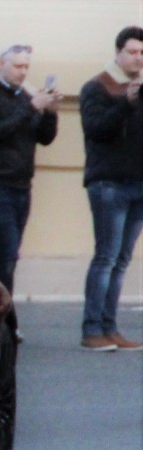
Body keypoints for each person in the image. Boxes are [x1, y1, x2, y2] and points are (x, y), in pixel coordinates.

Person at [0, 45, 60, 295]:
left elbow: (44, 138)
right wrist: (33, 107)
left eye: (26, 67)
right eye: (17, 66)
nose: (23, 72)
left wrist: (50, 113)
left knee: (10, 256)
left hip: (23, 186)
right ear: (1, 64)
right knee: (7, 254)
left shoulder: (26, 97)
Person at [77, 26, 143, 352]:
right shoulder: (98, 86)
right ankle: (92, 329)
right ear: (118, 52)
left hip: (138, 184)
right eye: (132, 51)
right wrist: (125, 104)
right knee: (106, 257)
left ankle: (110, 326)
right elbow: (96, 129)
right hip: (109, 184)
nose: (138, 57)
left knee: (122, 261)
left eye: (142, 53)